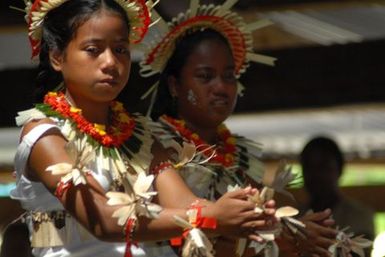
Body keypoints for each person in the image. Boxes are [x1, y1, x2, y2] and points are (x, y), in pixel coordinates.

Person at [9, 1, 278, 257]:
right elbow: (104, 220)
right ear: (57, 57)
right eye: (93, 49)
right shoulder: (45, 134)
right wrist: (210, 217)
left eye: (120, 49)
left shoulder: (138, 137)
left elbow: (184, 203)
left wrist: (245, 211)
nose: (110, 62)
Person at [138, 1, 338, 256]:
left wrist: (296, 229)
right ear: (175, 85)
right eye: (205, 76)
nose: (221, 87)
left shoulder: (237, 155)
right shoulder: (152, 143)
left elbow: (262, 219)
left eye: (229, 76)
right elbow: (188, 234)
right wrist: (288, 240)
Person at [300, 136, 375, 245]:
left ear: (340, 169)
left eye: (323, 167)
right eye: (309, 167)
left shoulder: (360, 216)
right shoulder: (294, 218)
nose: (316, 175)